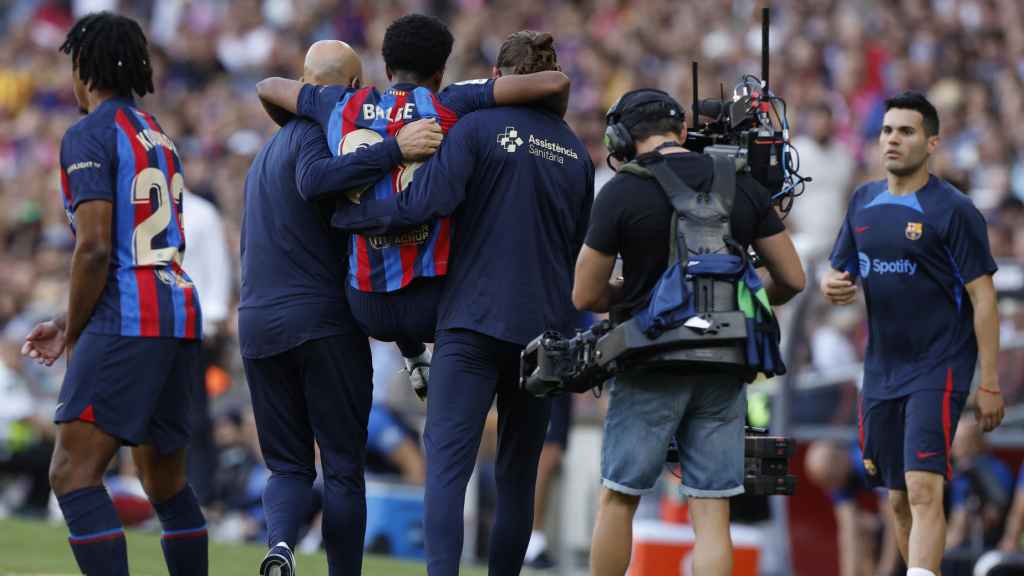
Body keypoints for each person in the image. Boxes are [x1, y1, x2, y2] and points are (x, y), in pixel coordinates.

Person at [332, 30, 592, 576]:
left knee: (448, 469)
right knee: (519, 478)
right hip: (542, 335)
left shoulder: (474, 128)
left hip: (471, 323)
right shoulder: (576, 153)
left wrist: (353, 218)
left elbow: (423, 205)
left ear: (498, 79)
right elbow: (575, 248)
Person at [255, 14, 570, 400]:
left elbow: (268, 86)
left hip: (365, 303)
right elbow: (554, 82)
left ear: (385, 69)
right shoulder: (452, 101)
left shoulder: (339, 103)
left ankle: (413, 357)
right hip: (433, 304)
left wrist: (314, 122)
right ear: (440, 73)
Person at [574, 89, 805, 576]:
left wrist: (633, 291)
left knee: (619, 497)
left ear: (619, 138)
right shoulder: (743, 184)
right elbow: (793, 279)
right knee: (711, 507)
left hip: (649, 361)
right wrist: (742, 294)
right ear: (682, 131)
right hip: (725, 363)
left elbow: (585, 295)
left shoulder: (621, 191)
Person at [238, 40, 441, 576]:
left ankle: (280, 548)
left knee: (286, 465)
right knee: (344, 468)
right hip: (322, 323)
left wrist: (409, 350)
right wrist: (396, 148)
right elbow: (323, 191)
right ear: (351, 90)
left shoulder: (265, 153)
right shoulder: (316, 136)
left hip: (257, 326)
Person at [19, 12, 209, 576]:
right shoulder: (160, 135)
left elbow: (98, 248)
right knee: (165, 484)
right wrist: (65, 315)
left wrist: (72, 329)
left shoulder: (89, 133)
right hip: (176, 313)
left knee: (72, 474)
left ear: (86, 68)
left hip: (127, 318)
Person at [821, 91, 1004, 576]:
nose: (893, 140)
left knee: (924, 486)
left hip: (939, 364)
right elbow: (838, 271)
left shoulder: (954, 210)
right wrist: (831, 284)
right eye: (886, 130)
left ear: (932, 142)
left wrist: (989, 383)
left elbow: (984, 298)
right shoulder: (863, 200)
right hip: (881, 371)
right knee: (897, 498)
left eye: (906, 131)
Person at [525, 310, 592, 570]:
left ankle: (533, 537)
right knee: (546, 454)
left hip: (561, 359)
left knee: (551, 455)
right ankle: (530, 539)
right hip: (541, 354)